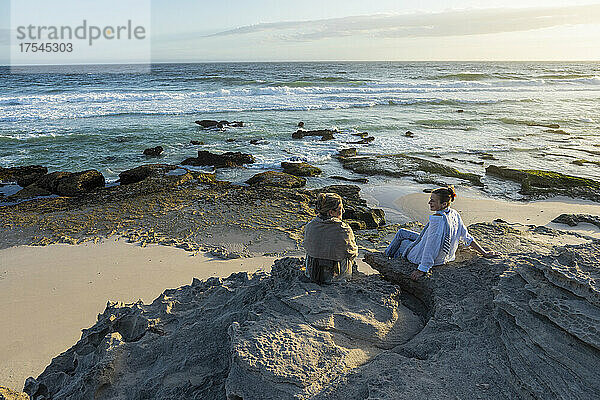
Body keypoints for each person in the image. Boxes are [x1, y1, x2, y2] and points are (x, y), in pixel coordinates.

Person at [385, 186, 497, 281]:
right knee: (402, 232)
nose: (429, 202)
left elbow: (431, 245)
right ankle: (386, 254)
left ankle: (386, 257)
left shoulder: (437, 219)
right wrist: (484, 252)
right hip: (447, 256)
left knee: (403, 241)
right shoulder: (454, 214)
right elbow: (466, 237)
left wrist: (422, 269)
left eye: (433, 200)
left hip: (429, 259)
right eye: (430, 199)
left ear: (443, 204)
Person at [303, 193, 358, 284]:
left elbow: (307, 247)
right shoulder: (343, 229)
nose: (343, 211)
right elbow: (352, 253)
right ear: (331, 212)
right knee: (349, 253)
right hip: (335, 277)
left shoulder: (310, 225)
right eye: (340, 208)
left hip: (312, 272)